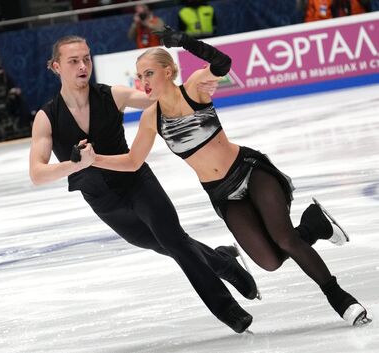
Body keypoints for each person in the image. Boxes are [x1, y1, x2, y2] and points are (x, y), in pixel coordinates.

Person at [92, 26, 372, 327]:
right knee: (270, 261)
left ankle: (340, 299)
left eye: (149, 73)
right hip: (223, 194)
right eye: (139, 76)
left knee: (284, 238)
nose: (143, 82)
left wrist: (186, 42)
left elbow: (223, 62)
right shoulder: (151, 117)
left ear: (169, 71)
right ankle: (315, 225)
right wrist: (94, 159)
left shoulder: (195, 87)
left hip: (250, 171)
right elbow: (133, 161)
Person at [29, 35, 259, 334]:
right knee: (162, 243)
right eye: (74, 61)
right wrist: (74, 165)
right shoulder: (47, 117)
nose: (83, 65)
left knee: (174, 240)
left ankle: (228, 310)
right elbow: (37, 173)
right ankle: (224, 262)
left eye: (86, 58)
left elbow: (162, 96)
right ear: (56, 66)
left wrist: (197, 87)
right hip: (103, 201)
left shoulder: (113, 95)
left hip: (137, 182)